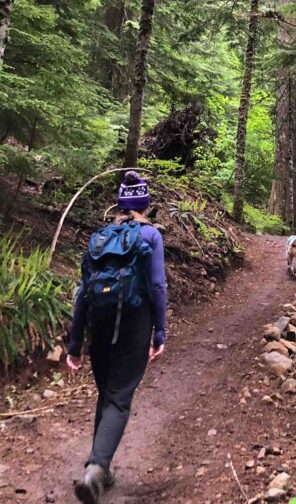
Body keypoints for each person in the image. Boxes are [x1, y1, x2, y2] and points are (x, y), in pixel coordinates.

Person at [66, 171, 167, 503]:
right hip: (134, 323)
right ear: (145, 205)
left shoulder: (99, 237)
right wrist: (160, 331)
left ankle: (101, 471)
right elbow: (156, 286)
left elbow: (83, 292)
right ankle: (96, 469)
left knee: (105, 392)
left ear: (120, 204)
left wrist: (75, 342)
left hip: (100, 320)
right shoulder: (150, 236)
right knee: (119, 397)